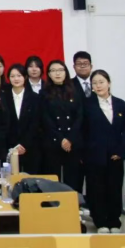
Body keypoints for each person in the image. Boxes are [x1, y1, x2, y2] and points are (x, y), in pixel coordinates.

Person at [84, 70, 125, 234]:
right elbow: (83, 130)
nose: (98, 86)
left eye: (101, 82)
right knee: (96, 189)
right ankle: (100, 221)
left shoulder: (121, 104)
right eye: (94, 83)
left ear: (109, 83)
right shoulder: (87, 105)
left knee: (114, 188)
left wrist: (121, 151)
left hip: (115, 155)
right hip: (94, 155)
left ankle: (114, 221)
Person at [41, 60, 83, 192]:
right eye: (53, 71)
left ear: (66, 72)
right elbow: (45, 118)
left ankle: (73, 203)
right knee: (53, 179)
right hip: (53, 141)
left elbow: (79, 117)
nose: (57, 73)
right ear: (48, 74)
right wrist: (61, 139)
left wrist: (70, 139)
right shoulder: (44, 93)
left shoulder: (75, 91)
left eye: (60, 70)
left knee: (73, 179)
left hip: (72, 142)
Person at [6, 64, 42, 174]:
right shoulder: (3, 97)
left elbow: (36, 123)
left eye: (19, 75)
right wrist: (14, 145)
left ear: (25, 77)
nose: (16, 79)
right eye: (12, 76)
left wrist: (23, 144)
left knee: (31, 179)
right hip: (9, 146)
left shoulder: (35, 98)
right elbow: (3, 123)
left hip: (30, 146)